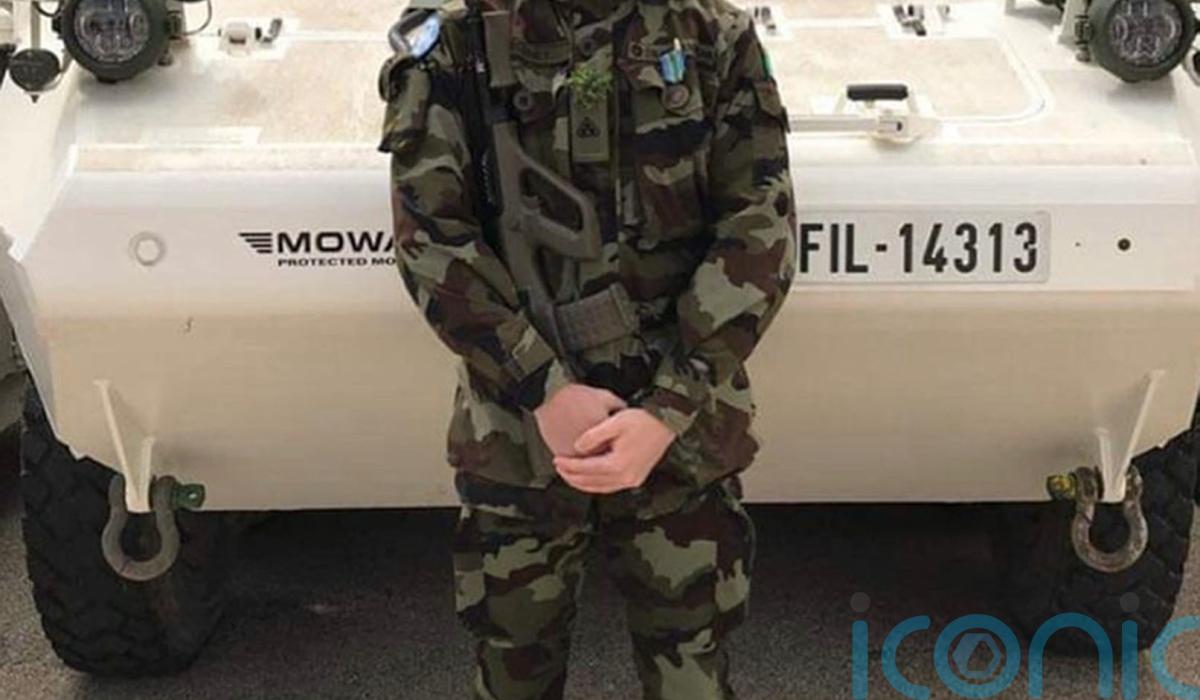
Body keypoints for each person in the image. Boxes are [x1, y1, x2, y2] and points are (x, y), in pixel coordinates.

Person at [378, 0, 796, 694]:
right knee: (513, 674)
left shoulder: (710, 34)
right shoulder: (457, 42)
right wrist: (543, 389)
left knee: (691, 679)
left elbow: (760, 235)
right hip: (521, 438)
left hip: (680, 442)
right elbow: (432, 241)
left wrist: (668, 406)